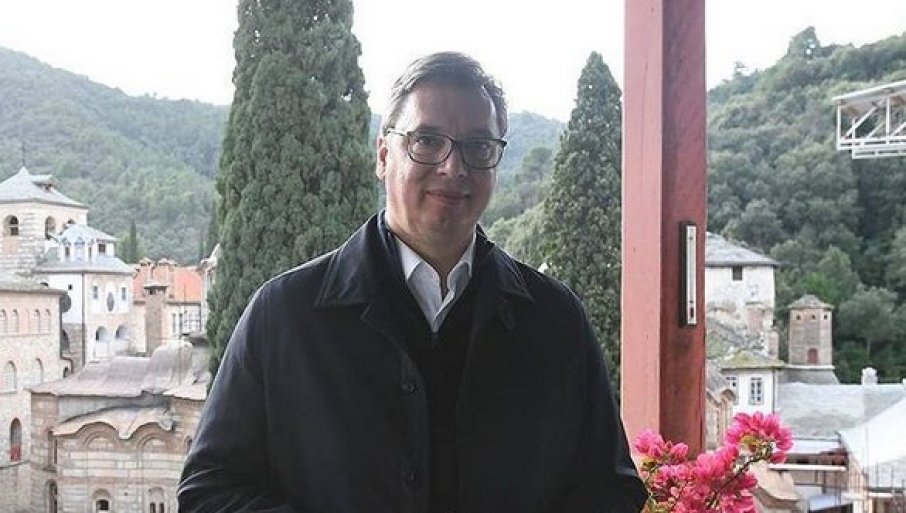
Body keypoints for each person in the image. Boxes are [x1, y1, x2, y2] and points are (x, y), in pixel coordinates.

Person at [178, 51, 647, 513]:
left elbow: (609, 488)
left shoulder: (555, 320)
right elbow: (210, 492)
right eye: (427, 140)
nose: (453, 167)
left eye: (479, 147)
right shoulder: (285, 316)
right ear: (383, 155)